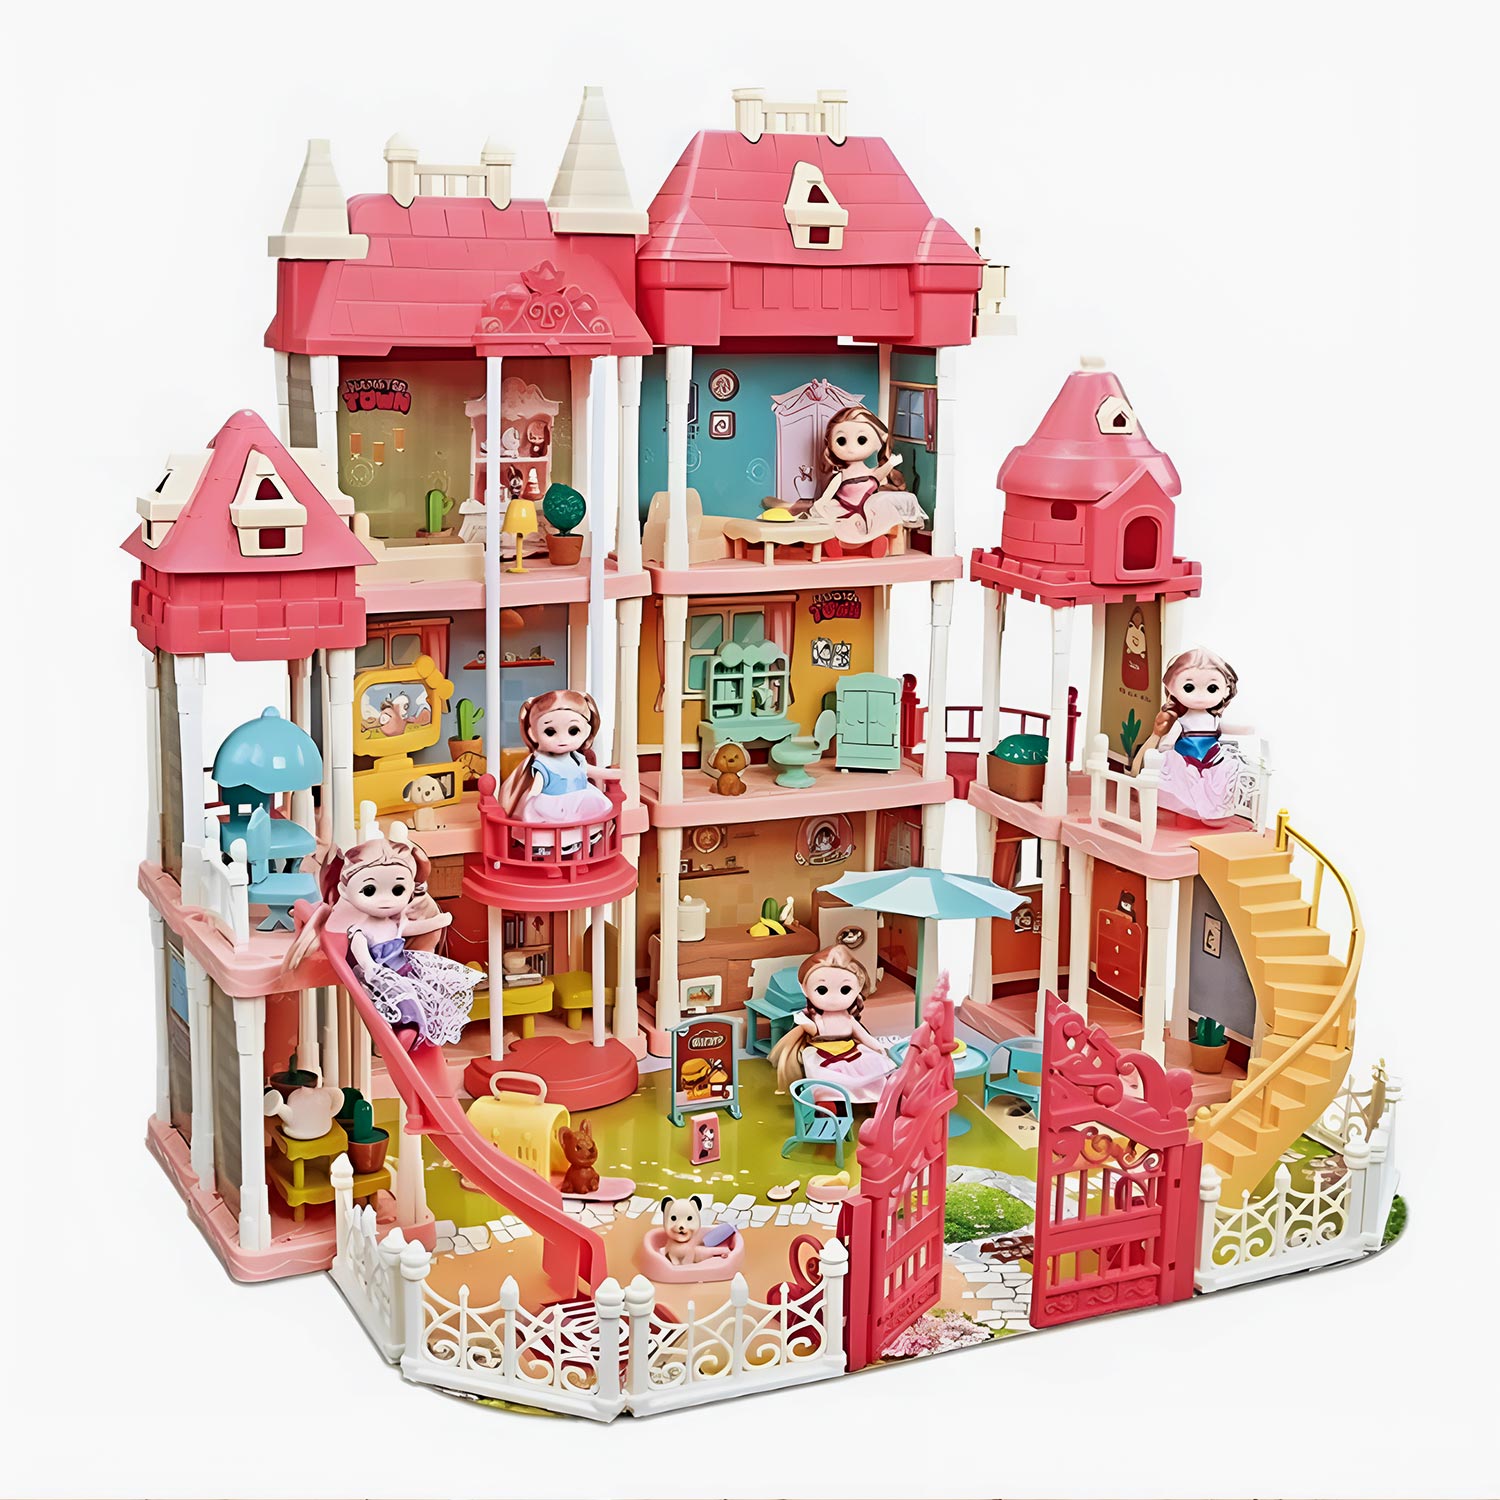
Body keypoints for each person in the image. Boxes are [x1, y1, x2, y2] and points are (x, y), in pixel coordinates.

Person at [283, 830, 475, 1050]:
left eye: (398, 890)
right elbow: (360, 949)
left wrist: (439, 921)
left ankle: (426, 1029)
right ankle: (408, 1028)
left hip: (403, 968)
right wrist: (370, 967)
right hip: (382, 973)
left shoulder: (394, 922)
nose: (385, 900)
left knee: (427, 994)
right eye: (369, 890)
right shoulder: (359, 929)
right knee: (403, 997)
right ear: (345, 890)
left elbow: (411, 928)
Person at [769, 943, 896, 1104]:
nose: (834, 998)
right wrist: (806, 1024)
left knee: (873, 1066)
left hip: (851, 1051)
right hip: (823, 1053)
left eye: (845, 990)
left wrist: (879, 1049)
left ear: (858, 989)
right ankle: (828, 1100)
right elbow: (813, 1030)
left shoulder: (849, 1019)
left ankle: (874, 1098)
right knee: (824, 1076)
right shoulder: (816, 1018)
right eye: (822, 990)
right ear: (805, 989)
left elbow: (864, 1037)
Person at [1135, 647, 1249, 823]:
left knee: (1221, 777)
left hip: (1212, 760)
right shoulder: (1181, 720)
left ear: (1225, 689)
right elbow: (1169, 740)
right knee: (1182, 781)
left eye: (1212, 688)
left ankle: (1211, 812)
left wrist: (1249, 729)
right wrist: (1164, 746)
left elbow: (1227, 727)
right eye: (1189, 688)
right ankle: (1182, 812)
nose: (1200, 696)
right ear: (1172, 688)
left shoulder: (1213, 719)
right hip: (1185, 760)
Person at [497, 690, 616, 855]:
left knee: (588, 819)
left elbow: (591, 771)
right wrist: (532, 795)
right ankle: (554, 854)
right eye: (550, 732)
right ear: (533, 734)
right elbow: (538, 782)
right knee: (553, 830)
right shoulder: (543, 762)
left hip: (579, 799)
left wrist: (615, 774)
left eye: (573, 731)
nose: (562, 739)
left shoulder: (576, 758)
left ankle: (584, 847)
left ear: (587, 730)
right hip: (552, 804)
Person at [805, 405, 925, 557]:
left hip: (866, 510)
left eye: (861, 440)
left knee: (877, 523)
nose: (851, 448)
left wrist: (890, 464)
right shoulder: (841, 475)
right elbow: (829, 493)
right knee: (840, 527)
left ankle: (872, 545)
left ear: (879, 440)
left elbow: (878, 475)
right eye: (841, 441)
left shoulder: (872, 473)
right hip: (844, 508)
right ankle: (834, 545)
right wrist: (821, 505)